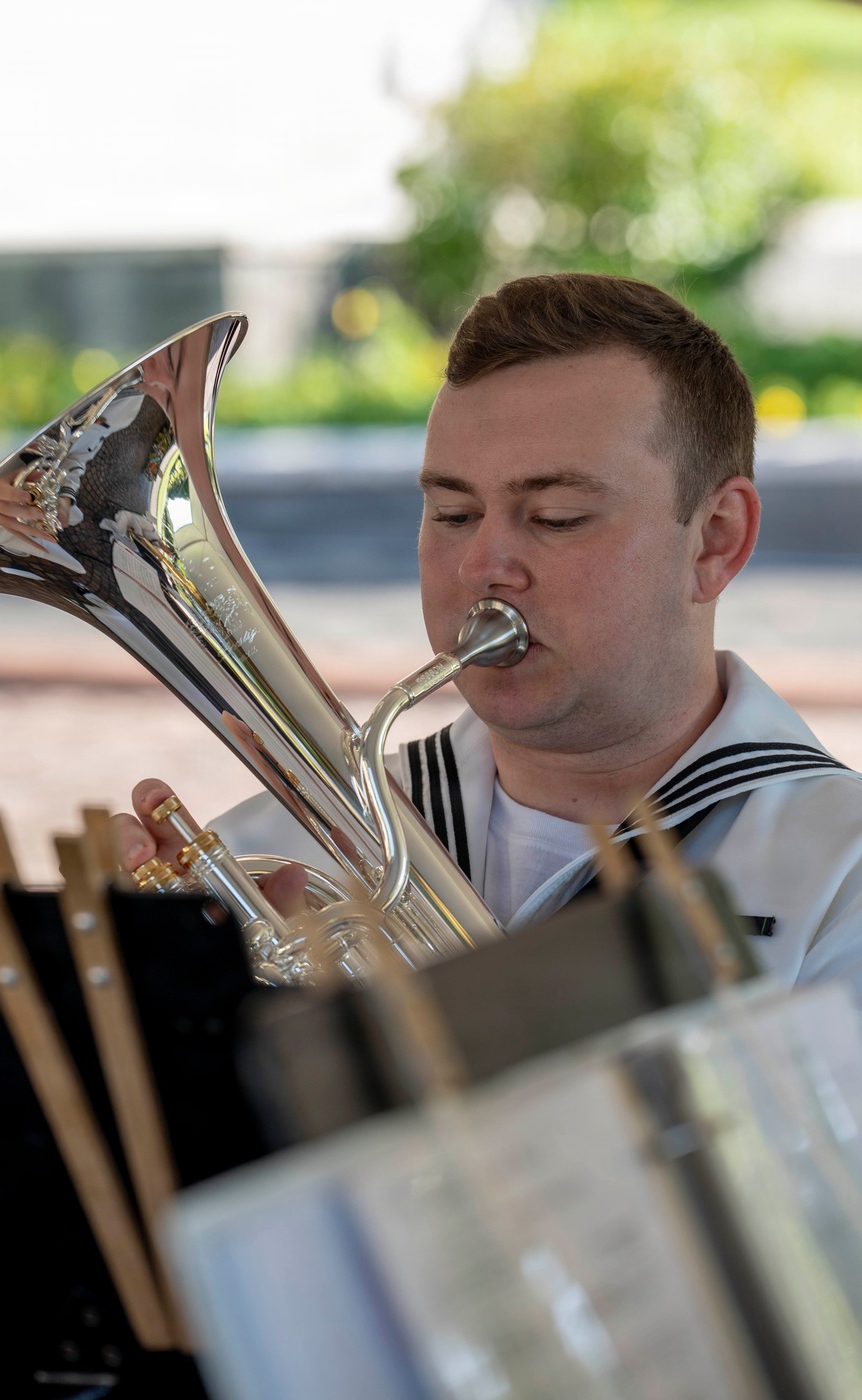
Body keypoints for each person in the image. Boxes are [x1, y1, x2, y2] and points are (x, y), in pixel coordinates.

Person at [113, 273, 862, 998]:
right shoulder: (277, 855)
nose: (481, 566)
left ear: (715, 542)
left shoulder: (841, 869)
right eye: (453, 514)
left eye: (556, 517)